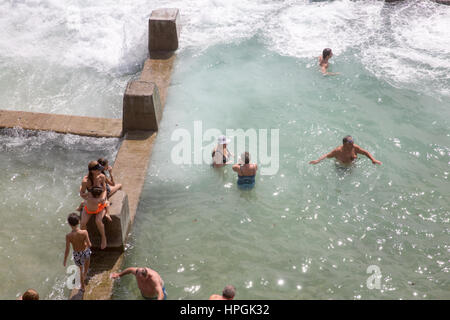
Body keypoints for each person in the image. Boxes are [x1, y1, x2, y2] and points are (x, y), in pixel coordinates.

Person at [63, 213, 92, 291]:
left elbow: (67, 249)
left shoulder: (68, 236)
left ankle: (82, 286)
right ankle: (85, 273)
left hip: (77, 254)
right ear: (79, 221)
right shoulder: (84, 232)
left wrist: (65, 260)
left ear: (69, 224)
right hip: (85, 251)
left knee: (80, 270)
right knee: (87, 263)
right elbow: (89, 244)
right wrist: (86, 244)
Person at [309, 135, 382, 166]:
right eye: (350, 143)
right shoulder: (338, 151)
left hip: (352, 166)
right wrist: (317, 161)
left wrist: (373, 159)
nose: (352, 144)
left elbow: (365, 152)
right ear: (344, 144)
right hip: (340, 167)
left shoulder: (354, 147)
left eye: (353, 141)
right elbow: (327, 155)